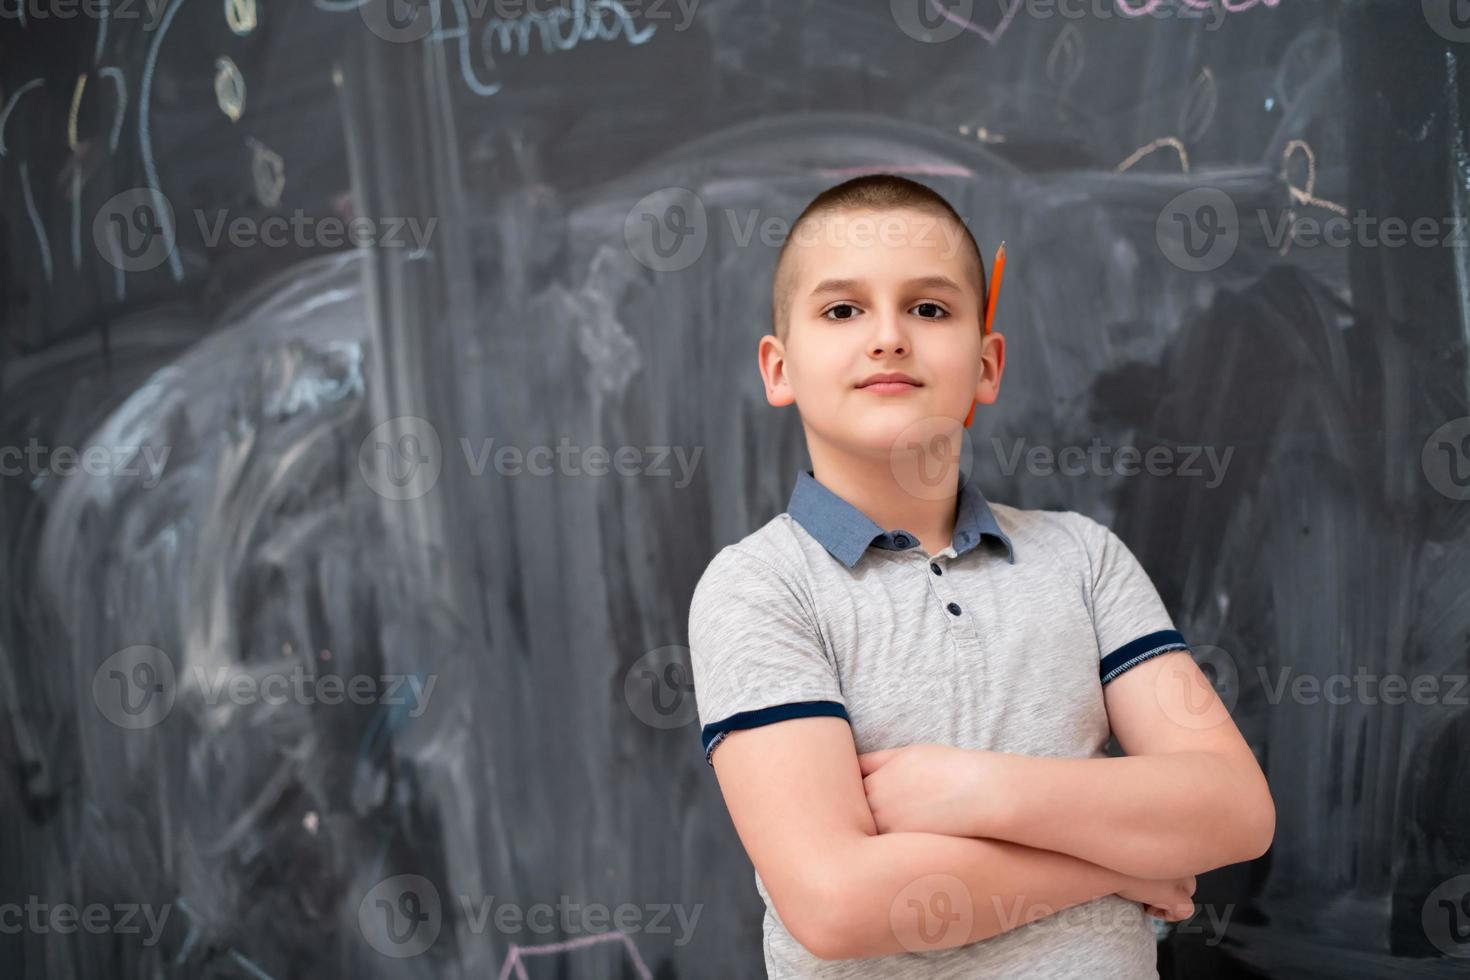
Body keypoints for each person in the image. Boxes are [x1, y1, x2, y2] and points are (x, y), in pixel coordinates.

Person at [686, 173, 1275, 978]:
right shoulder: (760, 586)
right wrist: (1119, 866)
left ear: (988, 364)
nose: (889, 336)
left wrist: (970, 789)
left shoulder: (1084, 560)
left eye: (929, 309)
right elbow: (838, 901)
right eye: (842, 309)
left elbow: (1234, 810)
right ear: (778, 369)